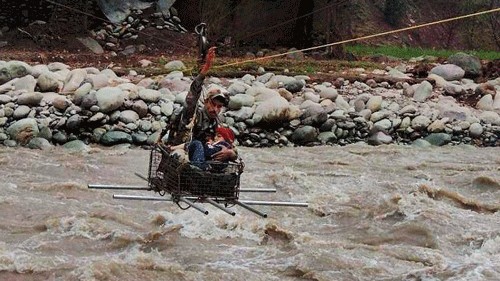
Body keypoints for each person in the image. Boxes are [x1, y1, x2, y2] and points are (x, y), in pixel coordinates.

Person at [161, 46, 237, 163]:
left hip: (202, 157)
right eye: (213, 104)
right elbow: (192, 97)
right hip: (182, 154)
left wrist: (231, 153)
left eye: (219, 107)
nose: (215, 109)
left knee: (225, 154)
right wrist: (204, 72)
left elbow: (230, 145)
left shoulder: (217, 123)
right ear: (206, 101)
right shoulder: (192, 114)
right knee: (191, 149)